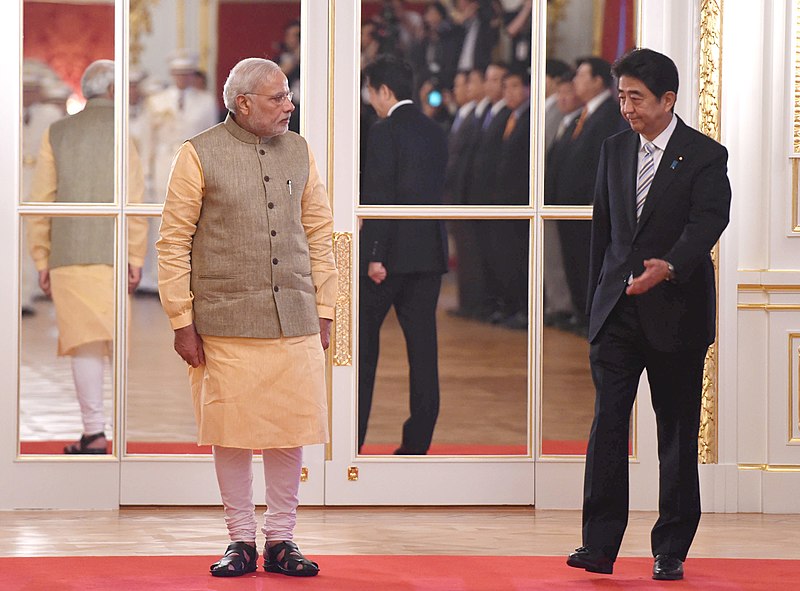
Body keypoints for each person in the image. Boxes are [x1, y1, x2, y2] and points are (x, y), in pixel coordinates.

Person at [156, 57, 337, 577]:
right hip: (224, 321)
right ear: (243, 104)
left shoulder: (300, 150)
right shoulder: (198, 154)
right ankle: (239, 540)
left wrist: (325, 306)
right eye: (278, 97)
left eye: (288, 96)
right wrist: (180, 320)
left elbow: (321, 234)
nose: (290, 105)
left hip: (295, 315)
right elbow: (173, 243)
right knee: (231, 431)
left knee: (290, 428)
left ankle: (282, 539)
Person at [567, 48, 731, 581]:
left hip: (676, 314)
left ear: (668, 99)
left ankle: (671, 547)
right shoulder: (614, 149)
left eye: (636, 97)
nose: (626, 108)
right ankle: (598, 545)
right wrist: (594, 303)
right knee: (608, 426)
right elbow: (604, 231)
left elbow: (708, 222)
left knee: (676, 433)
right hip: (617, 312)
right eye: (621, 96)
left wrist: (671, 266)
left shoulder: (705, 155)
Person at [27, 60, 148, 453]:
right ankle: (122, 435)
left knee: (85, 345)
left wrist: (42, 258)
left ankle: (94, 431)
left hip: (69, 251)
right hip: (112, 252)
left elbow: (41, 200)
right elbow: (133, 200)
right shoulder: (123, 134)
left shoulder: (57, 132)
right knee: (116, 344)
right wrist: (135, 256)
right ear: (113, 91)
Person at [358, 55, 448, 455]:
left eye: (369, 89)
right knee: (423, 352)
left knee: (361, 348)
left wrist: (375, 255)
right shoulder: (435, 130)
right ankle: (417, 444)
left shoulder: (383, 131)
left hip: (388, 259)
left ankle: (351, 438)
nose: (368, 98)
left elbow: (382, 196)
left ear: (384, 91)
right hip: (428, 254)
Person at [548, 57, 627, 332]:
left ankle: (593, 318)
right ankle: (582, 315)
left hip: (587, 206)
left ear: (597, 81)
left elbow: (599, 163)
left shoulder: (608, 114)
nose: (576, 82)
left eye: (582, 76)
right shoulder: (584, 115)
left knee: (587, 263)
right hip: (568, 206)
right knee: (574, 263)